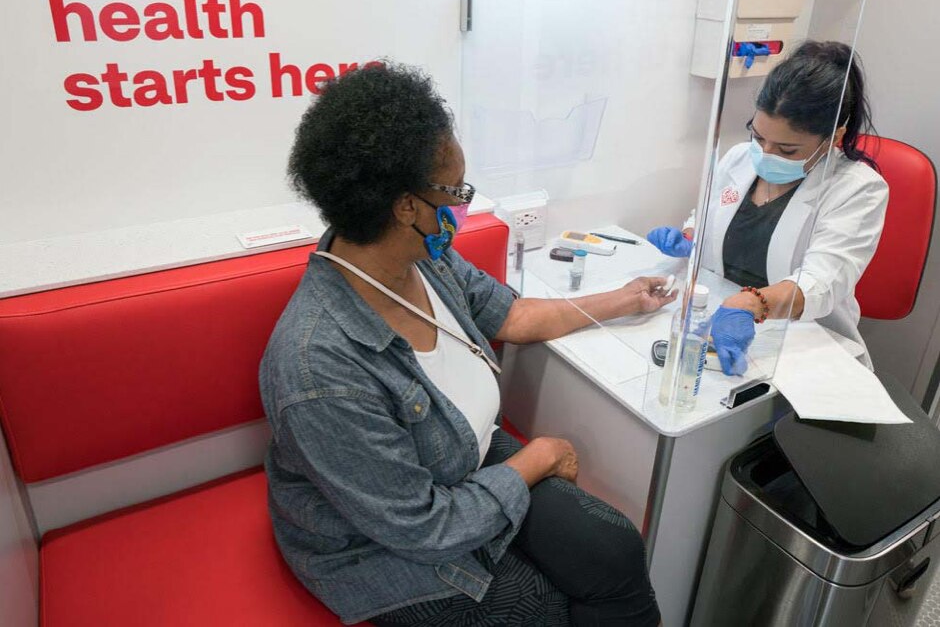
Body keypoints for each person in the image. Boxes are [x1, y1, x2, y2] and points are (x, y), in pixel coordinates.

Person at [259, 62, 671, 626]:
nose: (463, 203)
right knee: (541, 611)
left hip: (462, 460)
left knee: (613, 547)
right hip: (383, 544)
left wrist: (622, 299)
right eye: (455, 191)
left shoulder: (425, 258)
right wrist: (538, 457)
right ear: (405, 206)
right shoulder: (319, 367)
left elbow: (514, 314)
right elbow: (427, 528)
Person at [647, 40, 888, 374]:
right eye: (759, 137)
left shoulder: (858, 190)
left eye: (787, 150)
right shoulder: (739, 159)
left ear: (834, 137)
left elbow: (822, 281)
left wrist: (750, 304)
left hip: (803, 344)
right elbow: (707, 218)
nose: (766, 154)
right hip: (719, 322)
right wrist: (690, 237)